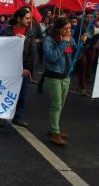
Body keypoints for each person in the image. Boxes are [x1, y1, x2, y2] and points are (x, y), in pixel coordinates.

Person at [43, 17, 82, 146]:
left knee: (60, 105)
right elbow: (52, 57)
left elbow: (78, 52)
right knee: (56, 104)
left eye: (70, 28)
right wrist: (64, 43)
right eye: (65, 28)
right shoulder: (49, 40)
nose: (68, 31)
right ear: (58, 29)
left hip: (66, 76)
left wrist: (82, 43)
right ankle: (55, 133)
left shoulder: (70, 38)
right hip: (54, 76)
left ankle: (53, 128)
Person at [0, 8, 36, 128]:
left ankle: (18, 117)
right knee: (4, 92)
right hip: (7, 68)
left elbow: (32, 53)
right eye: (26, 18)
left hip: (22, 69)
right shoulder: (6, 32)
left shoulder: (30, 33)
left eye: (29, 17)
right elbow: (1, 50)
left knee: (22, 94)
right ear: (19, 19)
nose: (29, 20)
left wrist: (28, 69)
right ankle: (1, 115)